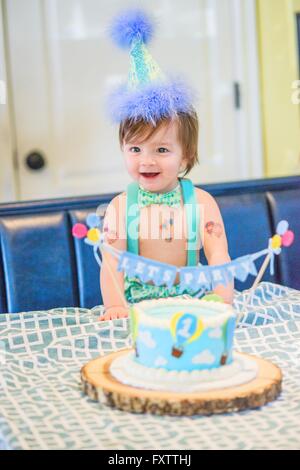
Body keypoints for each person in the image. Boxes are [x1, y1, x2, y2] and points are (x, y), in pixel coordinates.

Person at [99, 10, 233, 320]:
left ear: (186, 155)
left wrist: (224, 299)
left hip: (195, 299)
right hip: (138, 307)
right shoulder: (121, 207)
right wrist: (115, 306)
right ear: (122, 149)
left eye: (161, 149)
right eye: (135, 148)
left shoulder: (201, 203)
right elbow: (111, 262)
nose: (146, 160)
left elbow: (218, 255)